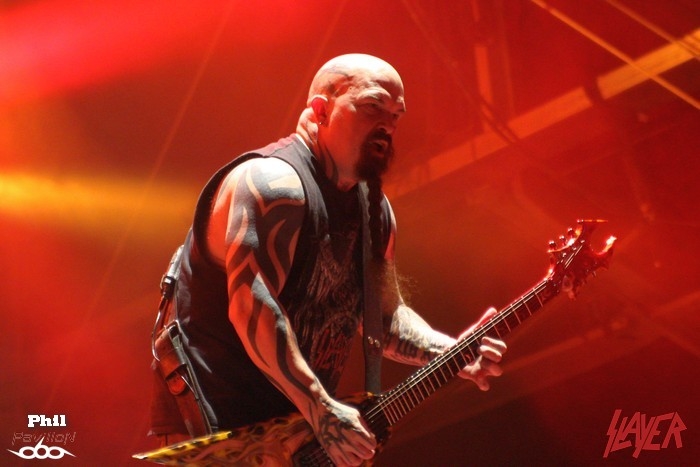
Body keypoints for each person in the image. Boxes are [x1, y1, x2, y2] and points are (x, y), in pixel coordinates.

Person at [149, 53, 507, 466]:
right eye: (372, 106)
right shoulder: (273, 185)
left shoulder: (374, 212)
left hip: (293, 437)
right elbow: (251, 307)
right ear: (320, 110)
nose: (387, 125)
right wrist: (321, 408)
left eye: (395, 115)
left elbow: (383, 319)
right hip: (215, 438)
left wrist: (452, 352)